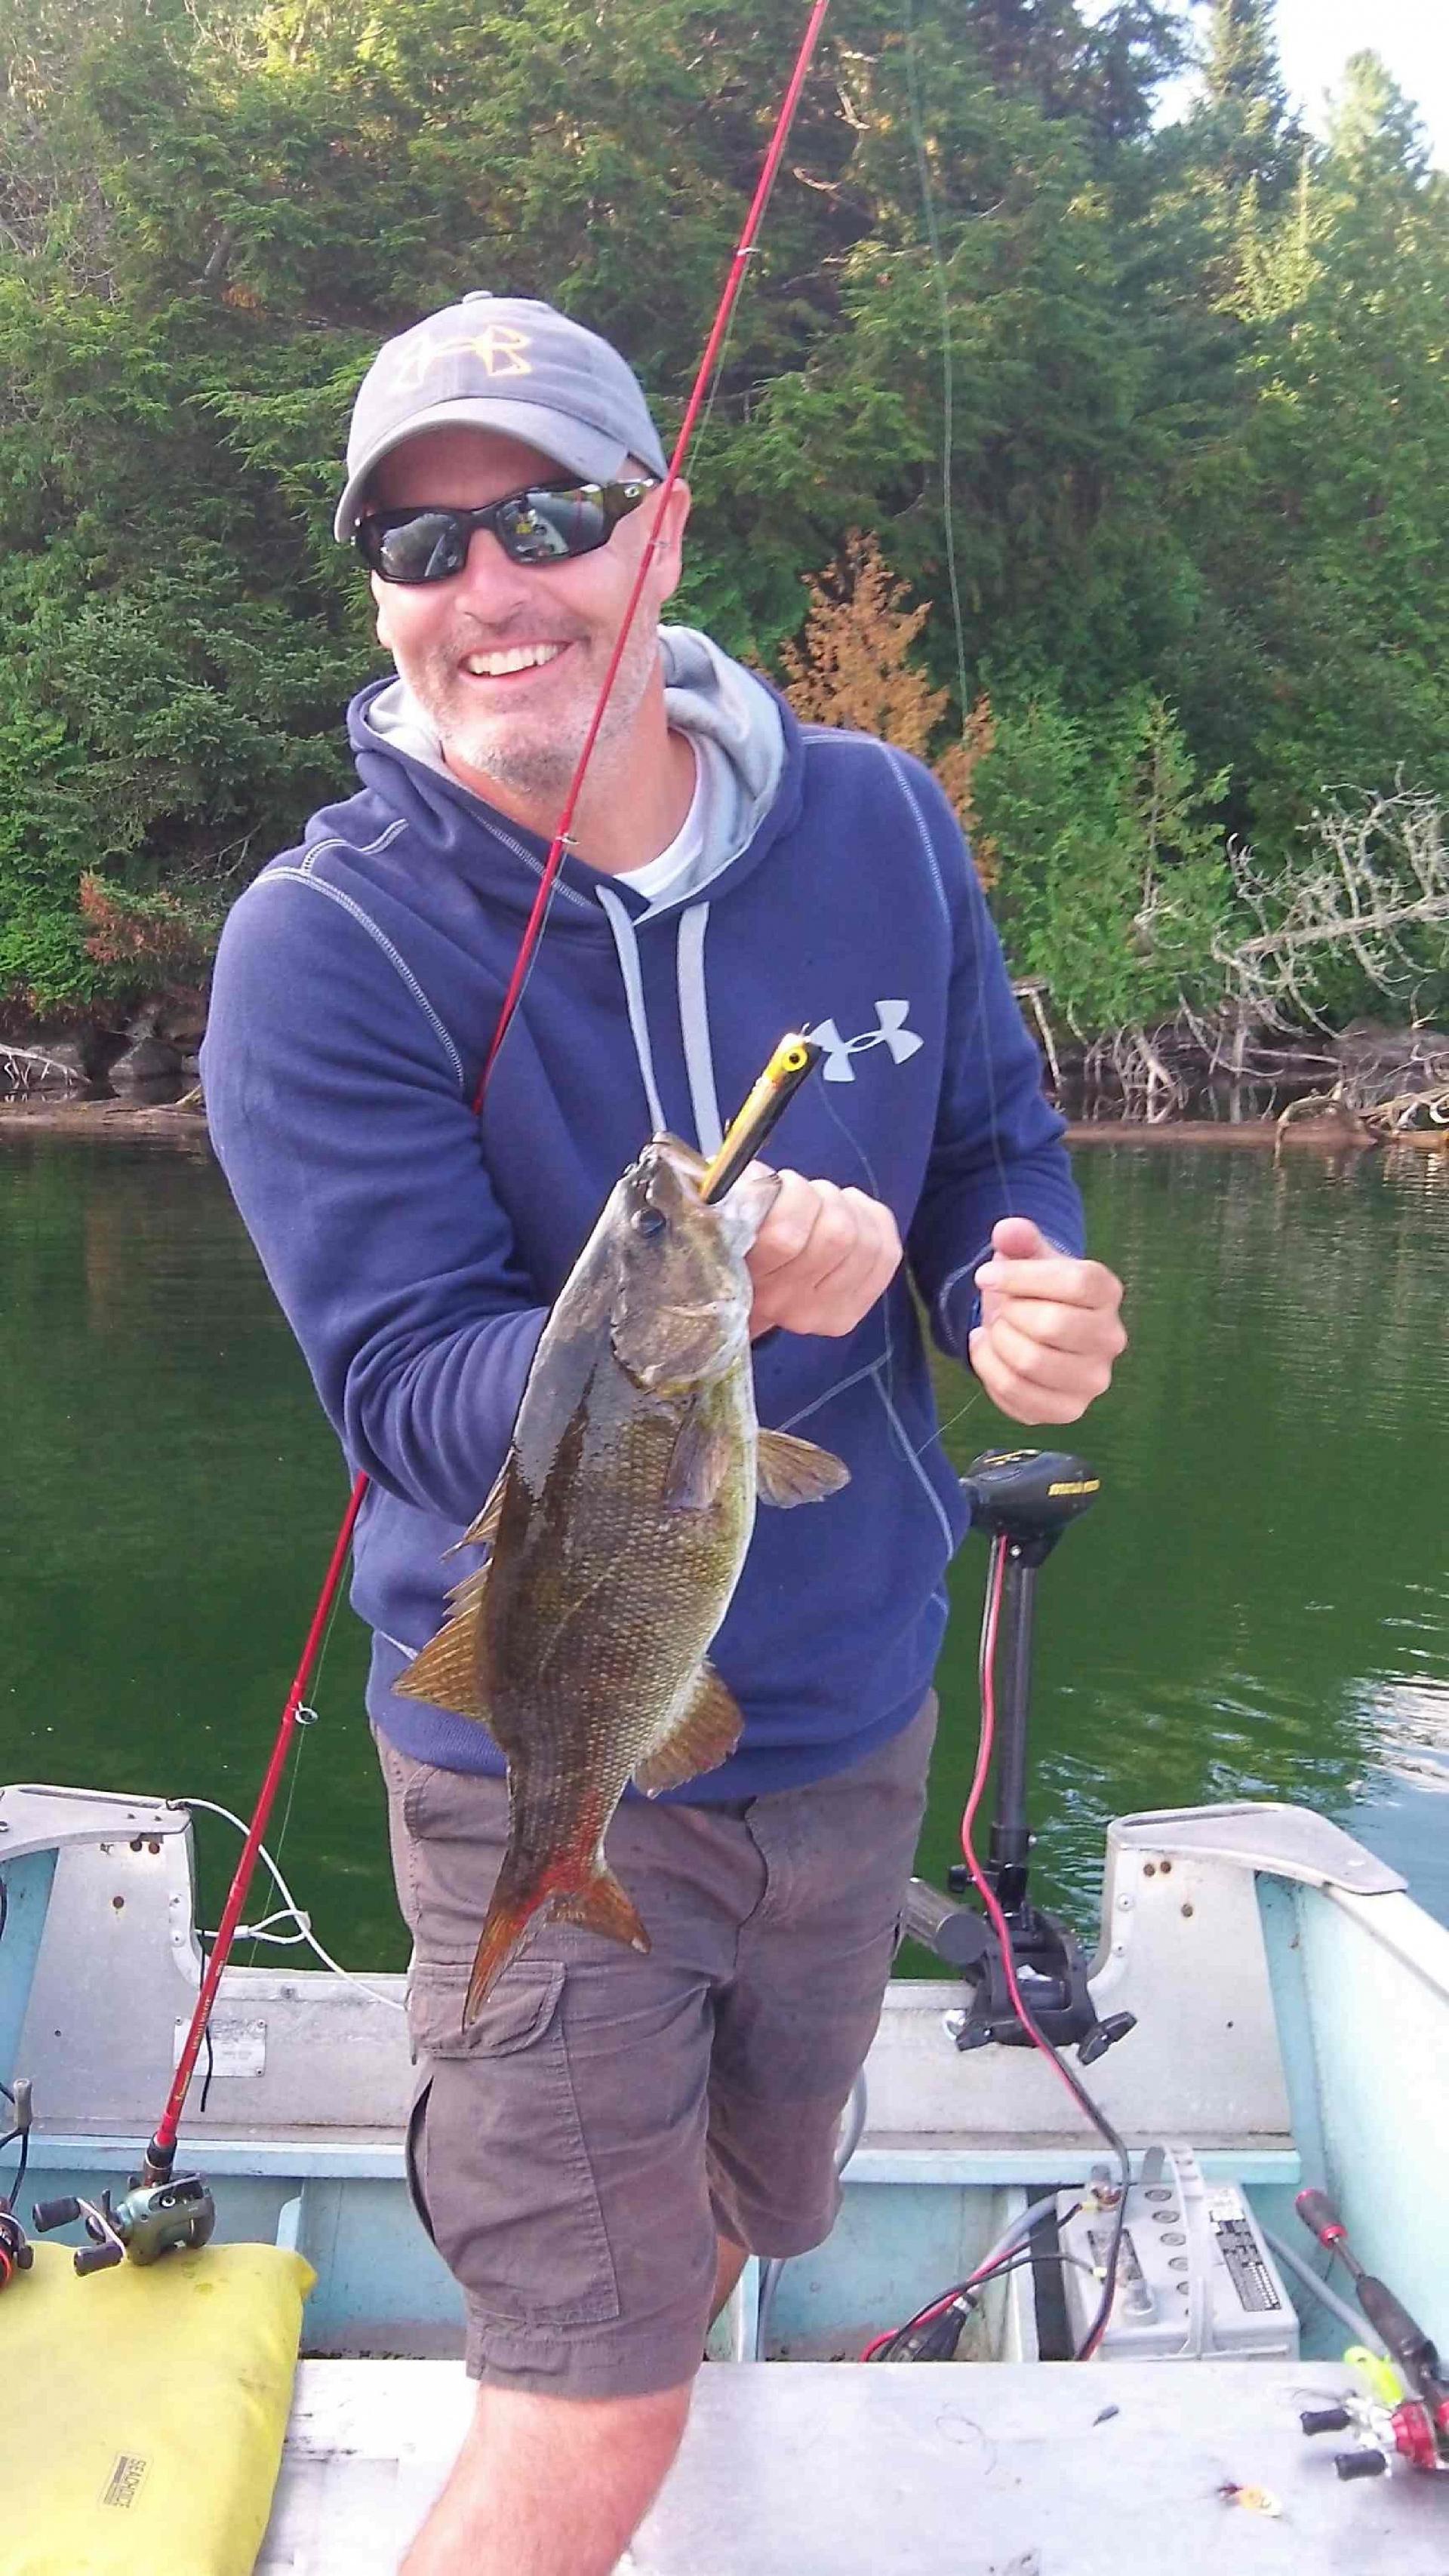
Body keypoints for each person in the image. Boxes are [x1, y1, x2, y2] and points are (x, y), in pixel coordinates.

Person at [201, 292, 1127, 2576]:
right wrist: (695, 1319)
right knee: (589, 2413)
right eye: (423, 549)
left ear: (661, 525)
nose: (491, 587)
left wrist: (1016, 1288)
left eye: (546, 514)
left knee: (744, 2211)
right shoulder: (322, 942)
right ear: (379, 596)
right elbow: (411, 1388)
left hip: (849, 1740)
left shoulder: (882, 822)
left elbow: (990, 1137)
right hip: (537, 1737)